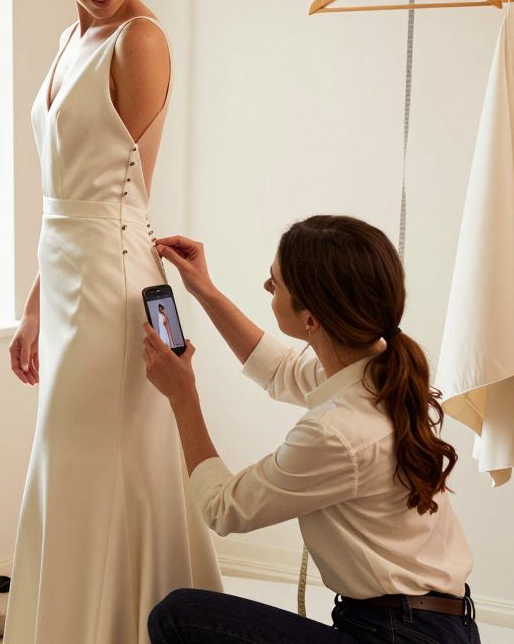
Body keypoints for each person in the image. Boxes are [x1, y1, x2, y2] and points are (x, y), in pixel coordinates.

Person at [3, 0, 221, 642]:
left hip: (110, 278)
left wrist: (70, 290)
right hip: (64, 272)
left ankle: (131, 623)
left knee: (107, 456)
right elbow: (65, 196)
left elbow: (128, 197)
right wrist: (35, 304)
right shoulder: (71, 38)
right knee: (73, 461)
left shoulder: (141, 41)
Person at [142, 215, 480, 644]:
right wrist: (204, 291)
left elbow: (224, 509)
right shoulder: (379, 370)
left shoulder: (336, 432)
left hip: (399, 636)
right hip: (434, 626)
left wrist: (182, 397)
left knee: (178, 617)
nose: (268, 289)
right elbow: (281, 369)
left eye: (275, 284)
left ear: (312, 320)